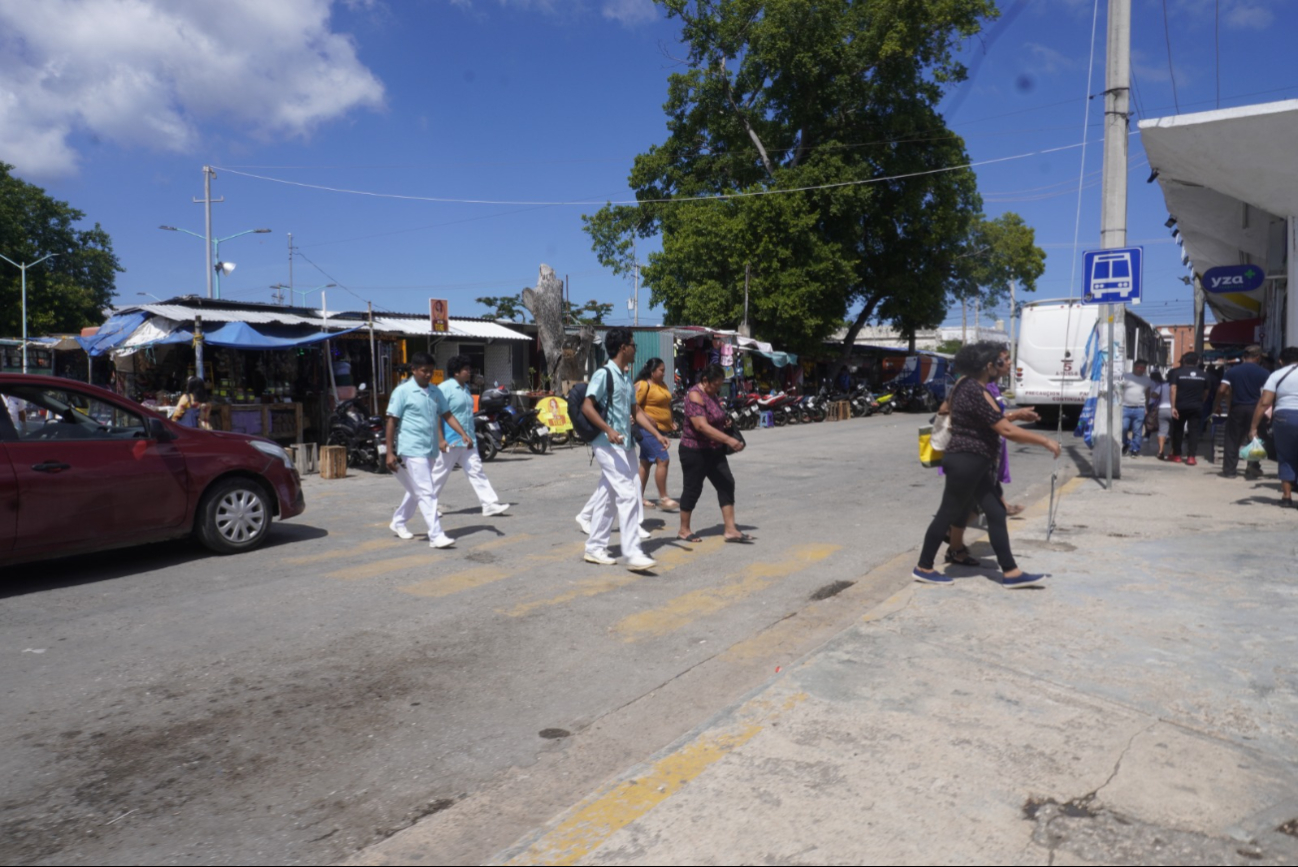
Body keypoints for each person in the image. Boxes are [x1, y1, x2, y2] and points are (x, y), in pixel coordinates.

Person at [914, 342, 1061, 588]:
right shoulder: (973, 389)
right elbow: (1004, 429)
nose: (1007, 364)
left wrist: (1015, 415)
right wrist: (1044, 440)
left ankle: (1011, 573)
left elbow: (986, 418)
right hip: (967, 459)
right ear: (989, 365)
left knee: (995, 512)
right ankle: (923, 567)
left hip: (975, 461)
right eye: (1003, 360)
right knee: (947, 513)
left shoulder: (970, 386)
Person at [582, 328, 670, 571]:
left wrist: (657, 434)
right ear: (623, 347)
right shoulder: (604, 374)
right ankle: (632, 552)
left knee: (607, 497)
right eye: (633, 344)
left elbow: (636, 413)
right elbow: (587, 406)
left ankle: (595, 547)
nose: (635, 348)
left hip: (624, 445)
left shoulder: (625, 378)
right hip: (606, 444)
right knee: (629, 494)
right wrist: (608, 429)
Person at [384, 352, 470, 549]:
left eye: (431, 372)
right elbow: (391, 421)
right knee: (427, 491)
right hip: (411, 447)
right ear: (413, 370)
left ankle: (398, 521)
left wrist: (463, 434)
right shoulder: (402, 391)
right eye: (424, 371)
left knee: (419, 489)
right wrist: (390, 452)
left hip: (430, 449)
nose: (428, 375)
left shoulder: (435, 391)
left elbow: (447, 414)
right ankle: (436, 535)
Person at [677, 363, 750, 544]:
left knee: (726, 483)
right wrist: (728, 440)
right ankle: (684, 530)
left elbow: (714, 416)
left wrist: (724, 423)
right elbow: (701, 426)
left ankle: (731, 529)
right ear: (704, 380)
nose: (718, 389)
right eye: (715, 385)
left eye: (719, 385)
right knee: (693, 489)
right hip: (694, 450)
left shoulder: (711, 394)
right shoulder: (695, 395)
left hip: (714, 450)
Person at [432, 355, 511, 519]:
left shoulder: (466, 388)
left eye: (469, 369)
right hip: (451, 439)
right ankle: (428, 506)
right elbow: (436, 414)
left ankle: (489, 504)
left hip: (467, 439)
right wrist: (440, 439)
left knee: (476, 471)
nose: (469, 372)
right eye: (466, 370)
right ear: (456, 372)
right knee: (440, 474)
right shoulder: (444, 388)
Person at [1250, 346, 1298, 509]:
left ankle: (1286, 496)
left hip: (1284, 417)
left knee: (1285, 455)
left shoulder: (1276, 375)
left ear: (1280, 360)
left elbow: (1264, 402)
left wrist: (1254, 427)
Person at [634, 357, 679, 512]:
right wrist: (648, 418)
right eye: (661, 370)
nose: (663, 373)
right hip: (645, 430)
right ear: (652, 371)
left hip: (660, 429)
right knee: (663, 459)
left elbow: (667, 404)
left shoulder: (662, 385)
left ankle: (637, 497)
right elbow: (635, 407)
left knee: (645, 464)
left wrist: (671, 420)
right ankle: (663, 497)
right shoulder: (643, 385)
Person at [1218, 345, 1270, 480]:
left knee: (1232, 440)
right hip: (1256, 409)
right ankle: (1252, 467)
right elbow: (1267, 395)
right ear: (1258, 357)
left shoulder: (1232, 371)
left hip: (1237, 408)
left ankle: (1229, 471)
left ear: (1244, 356)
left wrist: (1218, 405)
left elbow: (1222, 389)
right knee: (1255, 439)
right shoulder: (1264, 373)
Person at [1168, 352, 1209, 465]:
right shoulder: (1204, 375)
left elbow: (1173, 389)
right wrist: (1201, 402)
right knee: (1193, 431)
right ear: (1197, 361)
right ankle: (1191, 457)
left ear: (1184, 360)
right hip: (1196, 406)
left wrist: (1173, 407)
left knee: (1177, 430)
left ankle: (1177, 455)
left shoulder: (1176, 373)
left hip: (1180, 406)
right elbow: (1206, 392)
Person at [1119, 359, 1154, 458]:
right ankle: (1126, 442)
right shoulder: (1126, 376)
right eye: (1139, 367)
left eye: (1143, 368)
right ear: (1134, 367)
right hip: (1125, 407)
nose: (1140, 369)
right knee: (1123, 428)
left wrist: (1146, 407)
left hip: (1139, 408)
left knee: (1137, 431)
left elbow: (1147, 393)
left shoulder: (1147, 380)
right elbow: (1119, 390)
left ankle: (1135, 449)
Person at [1150, 370, 1172, 459]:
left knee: (1162, 430)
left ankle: (1160, 451)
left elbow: (1153, 395)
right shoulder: (1180, 386)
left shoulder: (1163, 386)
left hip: (1163, 409)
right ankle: (1172, 451)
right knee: (1175, 431)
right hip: (1175, 410)